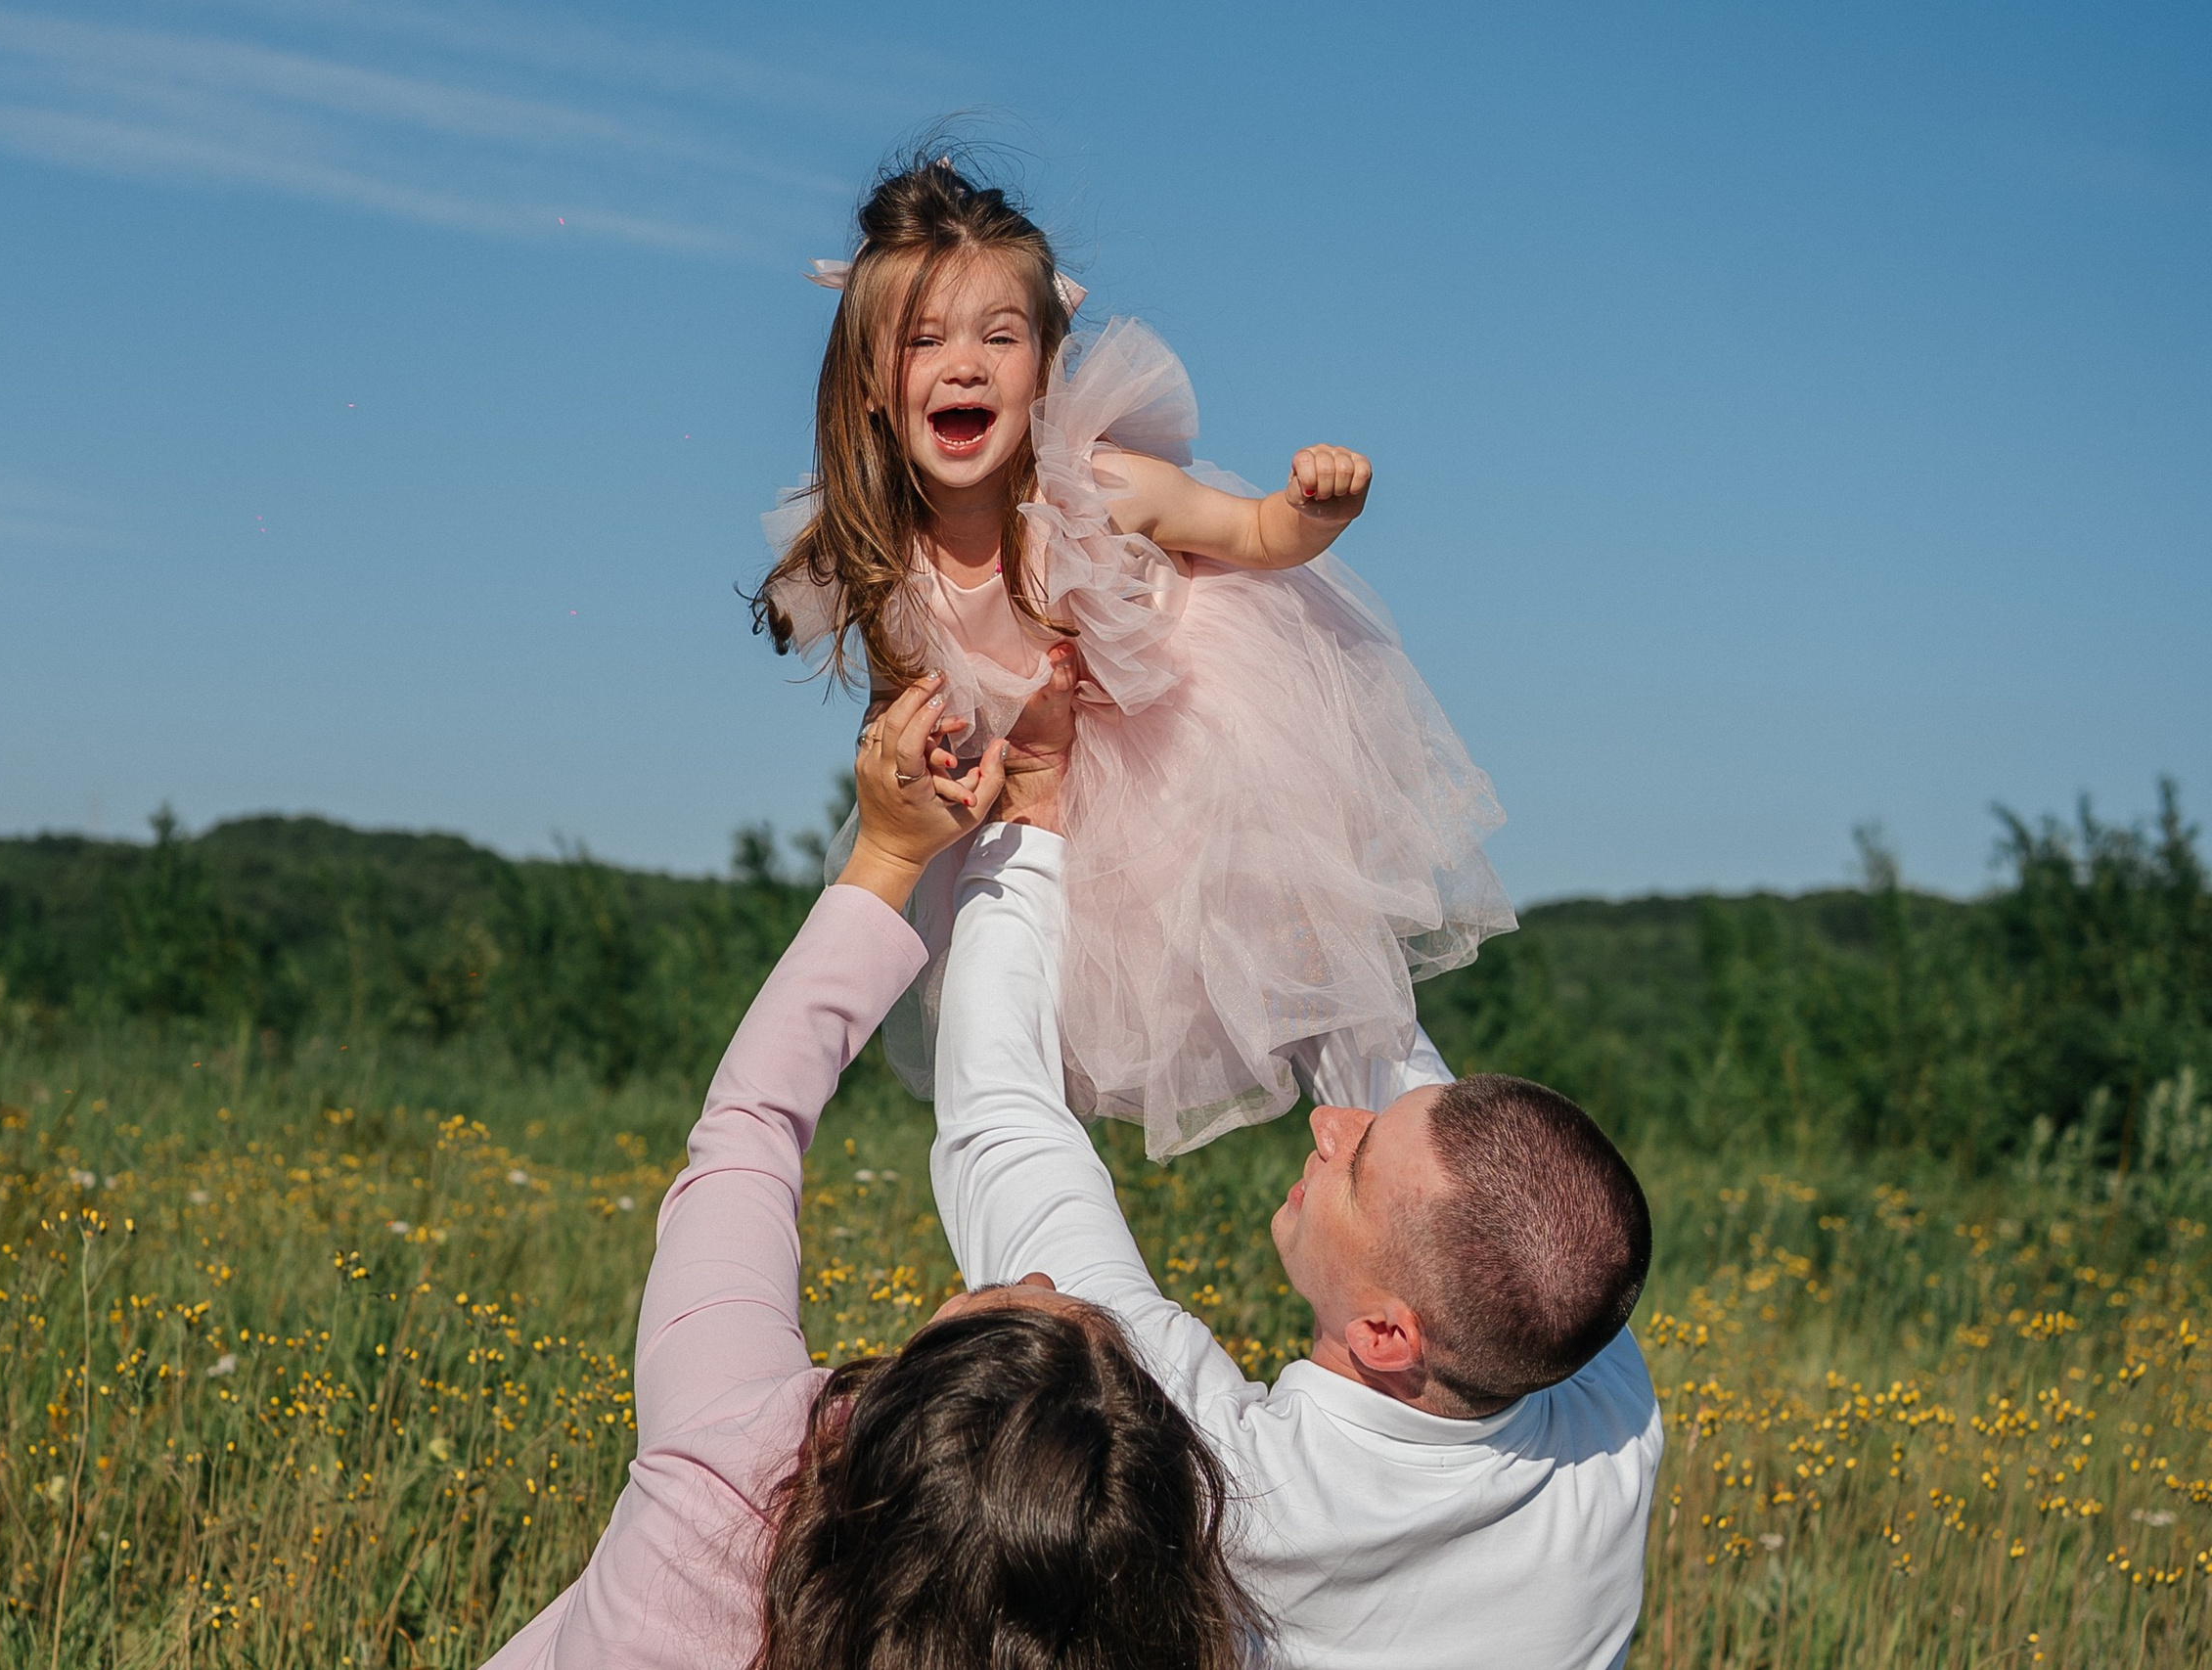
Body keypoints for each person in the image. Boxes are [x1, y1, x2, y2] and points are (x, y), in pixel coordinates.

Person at [479, 681, 1262, 1670]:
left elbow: (747, 1135)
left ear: (875, 1434)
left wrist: (887, 857)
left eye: (1010, 1312)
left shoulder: (719, 1494)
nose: (1043, 1279)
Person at [756, 150, 1515, 1157]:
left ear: (1044, 366)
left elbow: (1250, 537)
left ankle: (1427, 1164)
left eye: (1000, 336)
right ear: (868, 389)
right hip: (1054, 792)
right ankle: (1040, 1231)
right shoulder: (883, 565)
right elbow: (911, 693)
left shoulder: (1102, 488)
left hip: (1206, 750)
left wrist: (1313, 507)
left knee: (1328, 991)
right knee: (1014, 1003)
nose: (964, 363)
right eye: (921, 340)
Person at [926, 672, 1663, 1668]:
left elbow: (1005, 1130)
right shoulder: (1605, 1408)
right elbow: (1383, 1046)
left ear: (1385, 1332)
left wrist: (1034, 811)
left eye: (1355, 1164)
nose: (1327, 1126)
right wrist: (1260, 821)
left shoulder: (1241, 1493)